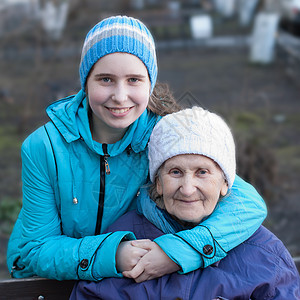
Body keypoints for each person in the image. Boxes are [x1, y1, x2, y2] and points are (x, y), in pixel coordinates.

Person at [7, 16, 267, 282]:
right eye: (105, 79)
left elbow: (246, 204)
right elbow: (34, 248)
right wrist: (112, 255)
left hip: (131, 281)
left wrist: (177, 252)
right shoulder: (45, 147)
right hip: (52, 283)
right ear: (86, 82)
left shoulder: (166, 135)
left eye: (134, 80)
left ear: (149, 83)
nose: (120, 96)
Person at [71, 107, 300, 299]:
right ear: (158, 182)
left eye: (202, 172)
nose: (188, 188)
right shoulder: (125, 239)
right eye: (175, 172)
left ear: (225, 184)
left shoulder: (263, 250)